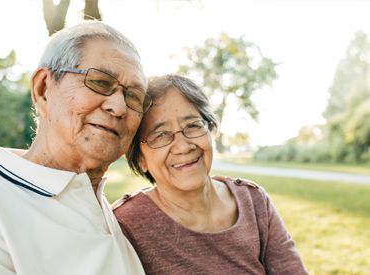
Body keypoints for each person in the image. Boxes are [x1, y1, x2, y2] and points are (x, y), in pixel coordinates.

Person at [0, 21, 152, 275]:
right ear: (43, 89)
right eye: (99, 81)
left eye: (134, 96)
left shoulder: (106, 210)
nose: (119, 107)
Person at [113, 74, 308, 274]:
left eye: (192, 126)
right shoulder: (124, 225)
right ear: (140, 159)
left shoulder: (254, 200)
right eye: (160, 135)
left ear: (210, 130)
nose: (183, 147)